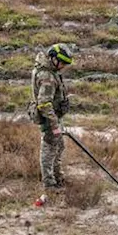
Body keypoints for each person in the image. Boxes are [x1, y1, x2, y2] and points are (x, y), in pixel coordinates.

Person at [30, 43, 73, 189]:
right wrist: (54, 125)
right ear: (53, 58)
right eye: (62, 63)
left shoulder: (51, 71)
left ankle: (58, 177)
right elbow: (44, 104)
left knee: (59, 146)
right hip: (49, 118)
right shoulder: (46, 76)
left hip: (54, 116)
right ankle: (49, 183)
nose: (63, 67)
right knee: (49, 149)